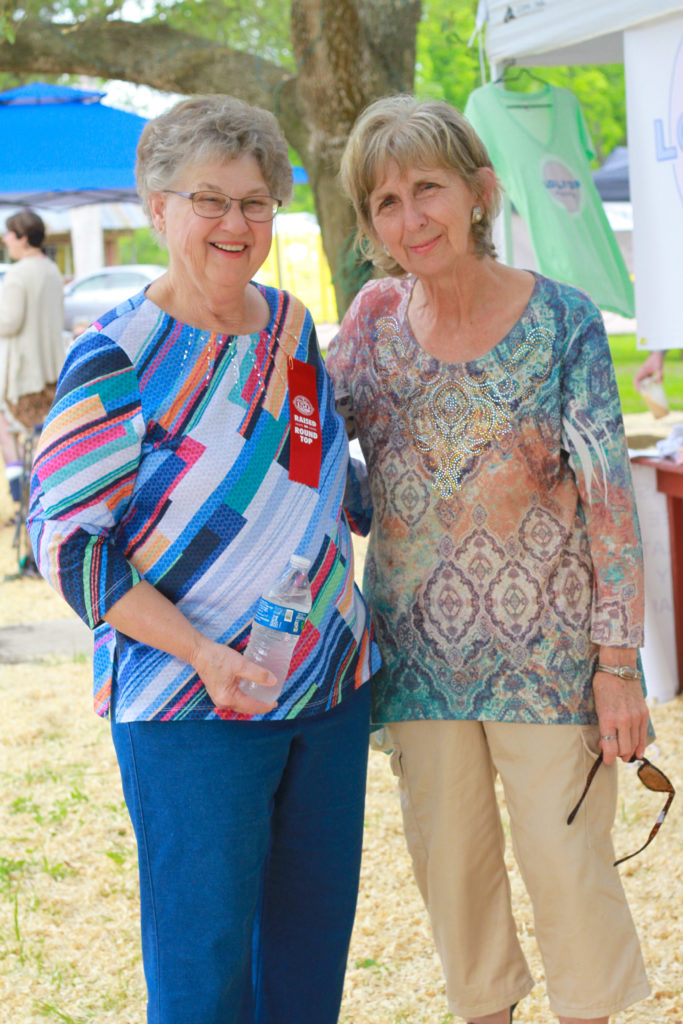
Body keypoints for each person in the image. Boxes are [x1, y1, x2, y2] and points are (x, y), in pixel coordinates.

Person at [28, 95, 380, 1024]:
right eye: (209, 200)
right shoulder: (115, 360)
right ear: (156, 206)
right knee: (203, 968)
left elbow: (317, 472)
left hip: (325, 688)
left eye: (256, 204)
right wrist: (200, 653)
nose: (236, 225)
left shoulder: (293, 329)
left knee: (308, 960)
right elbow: (67, 546)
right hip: (190, 706)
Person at [326, 95, 651, 1024]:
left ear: (478, 192)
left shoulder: (562, 321)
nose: (409, 218)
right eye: (385, 202)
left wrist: (616, 666)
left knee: (567, 870)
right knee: (451, 877)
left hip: (547, 663)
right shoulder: (373, 318)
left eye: (426, 189)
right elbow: (337, 472)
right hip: (418, 662)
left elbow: (608, 503)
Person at [0, 209, 64, 513]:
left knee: (6, 426)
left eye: (10, 233)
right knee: (42, 436)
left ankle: (20, 493)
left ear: (23, 237)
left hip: (26, 373)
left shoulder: (18, 273)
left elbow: (9, 322)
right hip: (52, 370)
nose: (5, 239)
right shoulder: (51, 269)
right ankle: (38, 494)